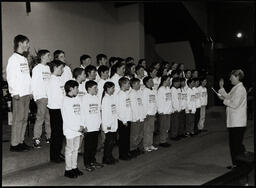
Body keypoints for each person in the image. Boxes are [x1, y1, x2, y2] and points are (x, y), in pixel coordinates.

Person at [6, 34, 32, 152]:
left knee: (24, 119)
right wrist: (14, 92)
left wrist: (31, 91)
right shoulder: (13, 59)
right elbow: (10, 77)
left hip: (26, 93)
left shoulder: (24, 59)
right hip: (18, 94)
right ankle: (14, 144)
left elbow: (27, 77)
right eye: (26, 43)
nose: (28, 45)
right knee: (18, 119)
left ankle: (21, 141)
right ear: (20, 44)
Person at [218, 69, 247, 170]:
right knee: (234, 144)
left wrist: (224, 100)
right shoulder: (236, 88)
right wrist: (221, 88)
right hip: (234, 122)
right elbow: (228, 96)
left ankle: (241, 166)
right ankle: (236, 165)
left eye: (232, 76)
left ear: (237, 77)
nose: (230, 78)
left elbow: (234, 104)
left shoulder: (240, 89)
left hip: (238, 122)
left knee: (237, 145)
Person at [61, 80, 84, 178]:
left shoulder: (77, 99)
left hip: (78, 129)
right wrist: (76, 128)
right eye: (76, 88)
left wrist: (82, 125)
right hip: (70, 130)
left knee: (76, 149)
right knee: (69, 150)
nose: (78, 90)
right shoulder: (65, 101)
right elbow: (67, 118)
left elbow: (81, 113)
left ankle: (74, 167)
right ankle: (68, 169)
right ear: (71, 89)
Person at [81, 80, 104, 171]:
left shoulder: (96, 98)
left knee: (94, 145)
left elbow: (98, 112)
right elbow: (82, 113)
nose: (97, 89)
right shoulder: (84, 99)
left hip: (95, 125)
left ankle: (92, 161)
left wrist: (100, 123)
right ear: (89, 88)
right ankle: (87, 164)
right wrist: (84, 125)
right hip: (88, 127)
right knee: (88, 147)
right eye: (95, 88)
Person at [31, 49, 51, 148]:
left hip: (49, 97)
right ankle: (36, 138)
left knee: (48, 118)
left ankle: (49, 136)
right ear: (42, 57)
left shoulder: (48, 68)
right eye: (48, 55)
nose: (49, 57)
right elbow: (34, 84)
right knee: (40, 118)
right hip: (41, 97)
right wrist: (36, 97)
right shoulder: (37, 68)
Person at [46, 60, 65, 163]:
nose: (62, 70)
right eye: (61, 68)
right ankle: (54, 156)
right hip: (55, 109)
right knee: (56, 133)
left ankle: (58, 152)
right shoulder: (52, 81)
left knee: (60, 133)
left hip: (60, 109)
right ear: (56, 68)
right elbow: (55, 97)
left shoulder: (58, 79)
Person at [101, 81, 119, 165]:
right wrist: (107, 126)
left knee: (112, 142)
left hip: (113, 124)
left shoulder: (111, 98)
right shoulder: (105, 99)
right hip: (108, 125)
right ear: (107, 89)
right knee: (109, 142)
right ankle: (106, 158)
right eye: (112, 88)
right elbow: (105, 115)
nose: (114, 89)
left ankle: (109, 156)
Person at [116, 77, 133, 160]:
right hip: (123, 120)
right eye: (128, 83)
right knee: (123, 138)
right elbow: (119, 110)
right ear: (123, 84)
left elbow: (128, 107)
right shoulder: (120, 95)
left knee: (127, 137)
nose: (129, 85)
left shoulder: (126, 94)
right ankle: (122, 155)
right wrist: (124, 120)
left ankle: (126, 152)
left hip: (127, 119)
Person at [129, 78, 146, 156]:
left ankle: (137, 147)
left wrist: (143, 115)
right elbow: (133, 108)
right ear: (133, 85)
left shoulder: (138, 93)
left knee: (140, 134)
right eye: (138, 84)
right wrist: (137, 117)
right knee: (135, 134)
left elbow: (141, 105)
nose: (139, 85)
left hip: (141, 116)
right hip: (136, 118)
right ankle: (132, 149)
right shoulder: (131, 94)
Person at [142, 76, 158, 152]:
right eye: (151, 81)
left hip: (153, 113)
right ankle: (146, 145)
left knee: (151, 130)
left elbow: (155, 102)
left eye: (152, 81)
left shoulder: (154, 90)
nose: (152, 83)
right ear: (146, 83)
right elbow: (144, 104)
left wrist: (155, 112)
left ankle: (150, 144)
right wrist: (145, 114)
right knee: (146, 131)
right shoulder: (145, 91)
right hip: (147, 114)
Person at [156, 76, 172, 147]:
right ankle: (162, 141)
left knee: (167, 127)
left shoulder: (168, 88)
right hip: (163, 112)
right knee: (163, 127)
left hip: (168, 111)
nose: (169, 82)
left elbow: (169, 100)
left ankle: (165, 139)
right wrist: (160, 111)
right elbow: (159, 101)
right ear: (164, 81)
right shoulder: (160, 90)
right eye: (168, 80)